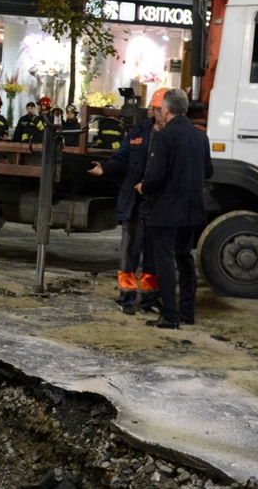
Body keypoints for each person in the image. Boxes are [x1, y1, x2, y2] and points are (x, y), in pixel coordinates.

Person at [137, 88, 213, 329]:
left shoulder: (164, 137)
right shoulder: (200, 136)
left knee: (165, 261)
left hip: (167, 210)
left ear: (167, 110)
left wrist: (144, 187)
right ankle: (187, 312)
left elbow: (157, 175)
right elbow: (208, 171)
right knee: (184, 259)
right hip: (193, 209)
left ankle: (170, 314)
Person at [88, 107, 158, 315]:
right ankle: (126, 297)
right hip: (134, 204)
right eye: (155, 108)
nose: (157, 112)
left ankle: (149, 299)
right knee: (129, 254)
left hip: (156, 204)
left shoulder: (169, 136)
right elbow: (122, 158)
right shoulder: (138, 134)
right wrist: (105, 168)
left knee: (153, 256)